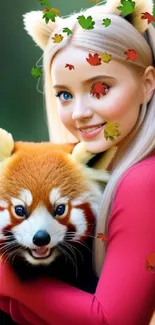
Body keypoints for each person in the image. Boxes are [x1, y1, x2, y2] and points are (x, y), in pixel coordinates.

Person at [0, 0, 155, 324]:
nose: (80, 112)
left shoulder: (143, 181)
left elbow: (112, 320)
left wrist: (8, 279)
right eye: (65, 95)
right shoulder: (107, 170)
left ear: (147, 84)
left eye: (100, 89)